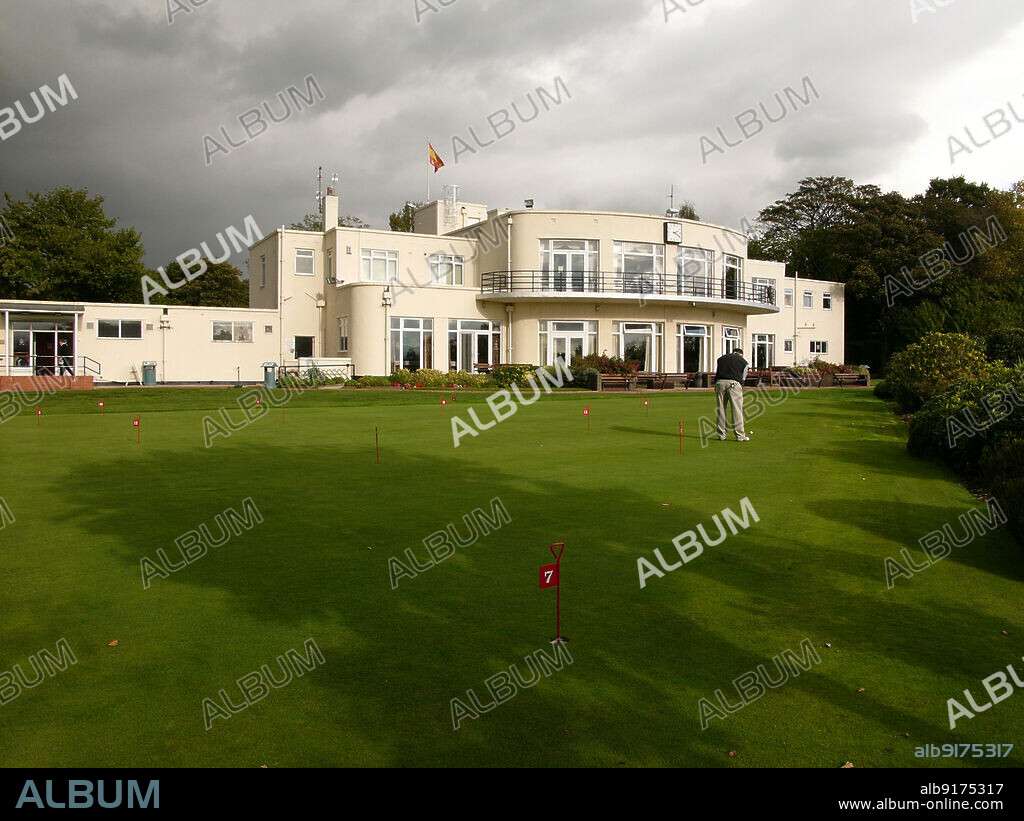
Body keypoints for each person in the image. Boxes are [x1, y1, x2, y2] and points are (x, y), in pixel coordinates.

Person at [714, 347, 750, 442]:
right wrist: (741, 384)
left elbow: (718, 371)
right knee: (736, 409)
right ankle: (740, 436)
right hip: (733, 384)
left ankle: (721, 435)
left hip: (719, 383)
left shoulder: (721, 358)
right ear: (740, 354)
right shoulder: (743, 361)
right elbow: (743, 376)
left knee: (721, 409)